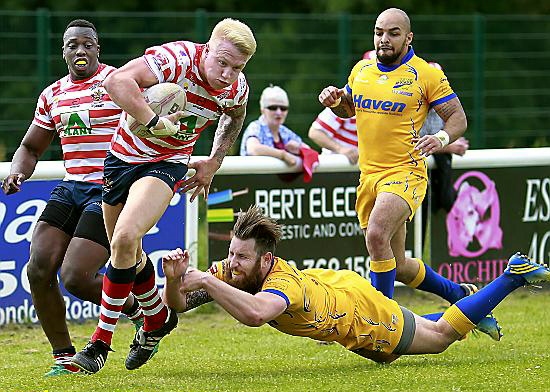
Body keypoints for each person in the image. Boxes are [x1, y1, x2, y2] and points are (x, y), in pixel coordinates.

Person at [71, 18, 257, 374]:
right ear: (207, 48)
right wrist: (151, 119)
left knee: (126, 237)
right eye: (222, 62)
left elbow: (235, 116)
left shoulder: (235, 89)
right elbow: (116, 81)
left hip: (167, 163)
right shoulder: (177, 59)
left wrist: (214, 162)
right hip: (121, 158)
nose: (228, 74)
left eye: (237, 67)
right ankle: (157, 319)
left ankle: (100, 343)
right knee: (124, 250)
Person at [161, 205, 550, 363]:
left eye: (240, 257)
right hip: (337, 289)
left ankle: (510, 275)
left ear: (265, 259)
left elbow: (257, 315)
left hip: (358, 311)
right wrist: (176, 281)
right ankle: (473, 311)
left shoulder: (282, 284)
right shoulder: (234, 269)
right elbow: (178, 305)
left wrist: (208, 285)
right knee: (389, 354)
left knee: (439, 338)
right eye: (231, 253)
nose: (231, 263)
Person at [1, 19, 144, 377]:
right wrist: (18, 170)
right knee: (38, 268)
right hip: (72, 185)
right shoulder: (53, 94)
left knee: (77, 276)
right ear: (63, 51)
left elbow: (151, 120)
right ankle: (63, 356)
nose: (80, 51)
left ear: (98, 49)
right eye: (73, 45)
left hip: (111, 185)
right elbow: (31, 146)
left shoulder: (117, 83)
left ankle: (141, 312)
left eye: (87, 45)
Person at [318, 8, 470, 301]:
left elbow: (458, 118)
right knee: (398, 265)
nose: (384, 39)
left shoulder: (426, 74)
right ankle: (459, 294)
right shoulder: (361, 70)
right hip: (369, 176)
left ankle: (383, 324)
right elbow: (348, 109)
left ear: (408, 38)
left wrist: (440, 138)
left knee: (376, 235)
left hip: (405, 173)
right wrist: (335, 101)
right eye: (379, 32)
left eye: (393, 33)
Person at [419, 62, 470, 242]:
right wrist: (449, 146)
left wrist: (449, 143)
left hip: (437, 160)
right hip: (415, 165)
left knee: (445, 199)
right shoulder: (416, 104)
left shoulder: (446, 103)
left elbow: (457, 125)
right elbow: (416, 142)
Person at [240, 85, 311, 168]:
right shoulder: (255, 127)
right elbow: (253, 149)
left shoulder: (284, 131)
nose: (279, 112)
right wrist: (283, 155)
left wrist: (299, 149)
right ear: (262, 110)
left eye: (283, 108)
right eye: (273, 108)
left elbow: (309, 151)